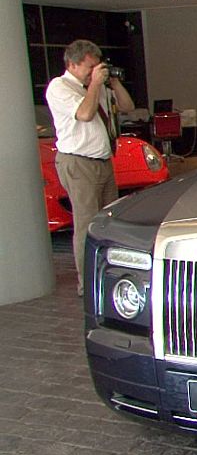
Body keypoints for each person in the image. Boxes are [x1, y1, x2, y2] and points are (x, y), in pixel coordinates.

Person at [46, 40, 135, 297]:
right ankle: (87, 285)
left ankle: (108, 275)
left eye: (98, 66)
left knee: (109, 221)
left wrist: (113, 83)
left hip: (103, 161)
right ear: (72, 65)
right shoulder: (60, 87)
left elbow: (128, 107)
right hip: (78, 163)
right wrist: (95, 84)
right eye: (89, 67)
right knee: (86, 224)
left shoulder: (97, 87)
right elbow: (85, 114)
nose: (95, 71)